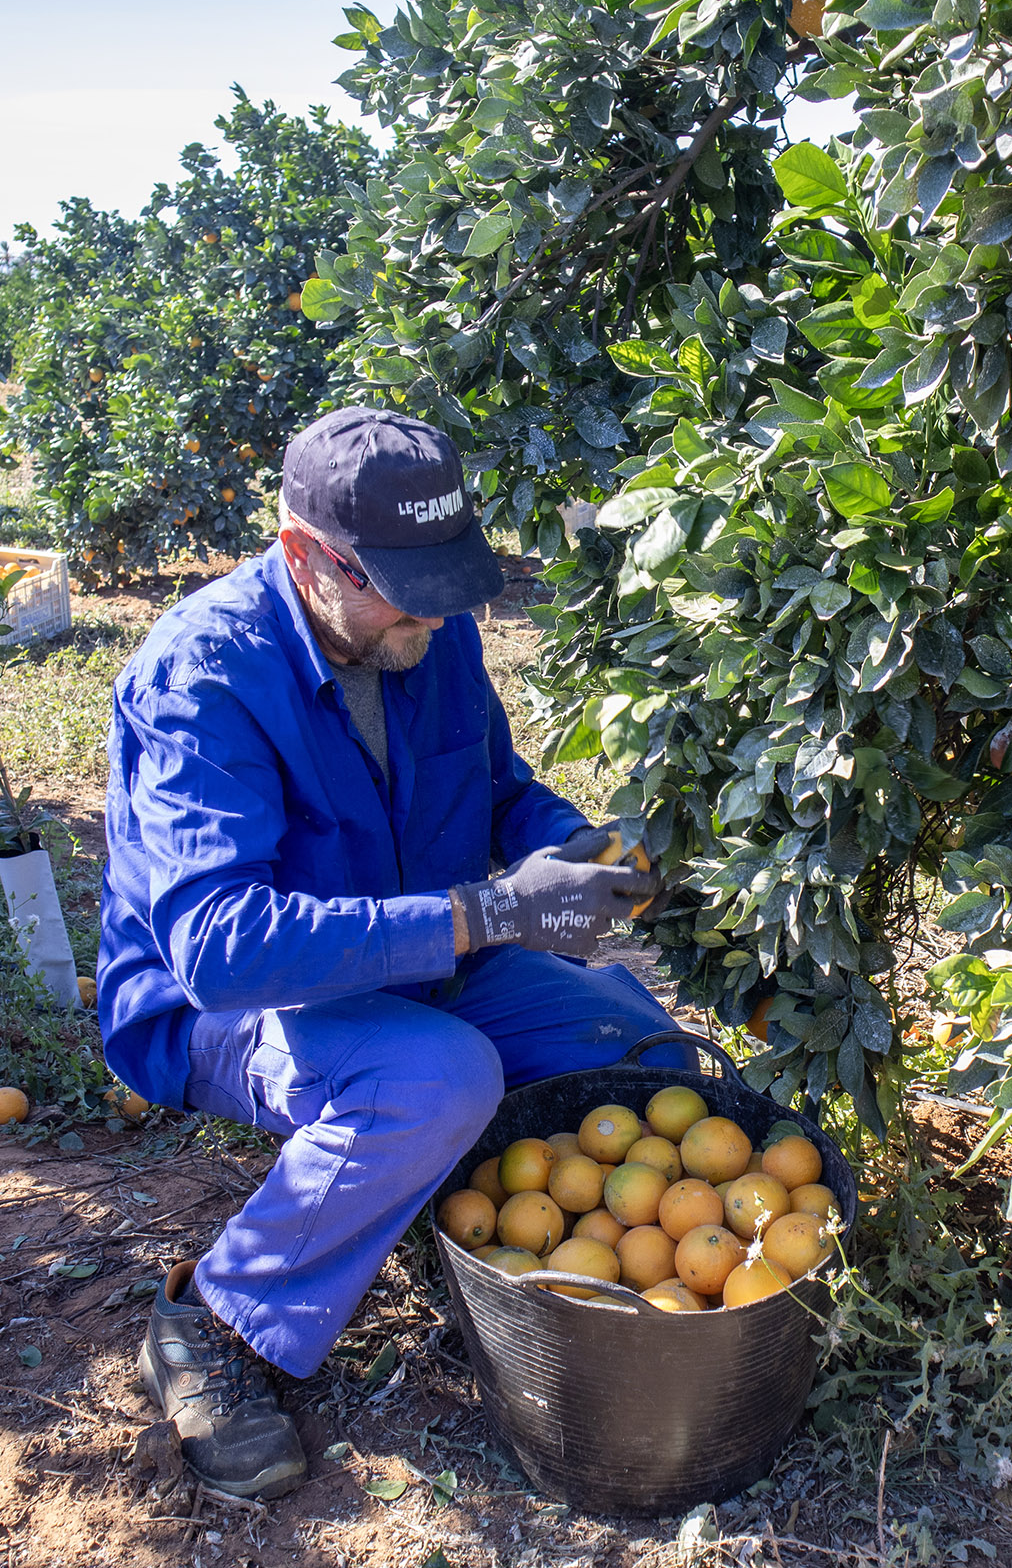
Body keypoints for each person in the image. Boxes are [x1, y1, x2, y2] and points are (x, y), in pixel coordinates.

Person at [95, 405, 674, 1498]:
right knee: (436, 1074)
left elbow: (495, 787)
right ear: (308, 555)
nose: (437, 610)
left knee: (635, 1041)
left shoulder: (428, 630)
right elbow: (219, 951)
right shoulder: (203, 678)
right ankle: (214, 1322)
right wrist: (489, 916)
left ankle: (430, 1186)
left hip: (418, 959)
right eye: (405, 584)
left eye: (449, 577)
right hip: (228, 1006)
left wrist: (574, 851)